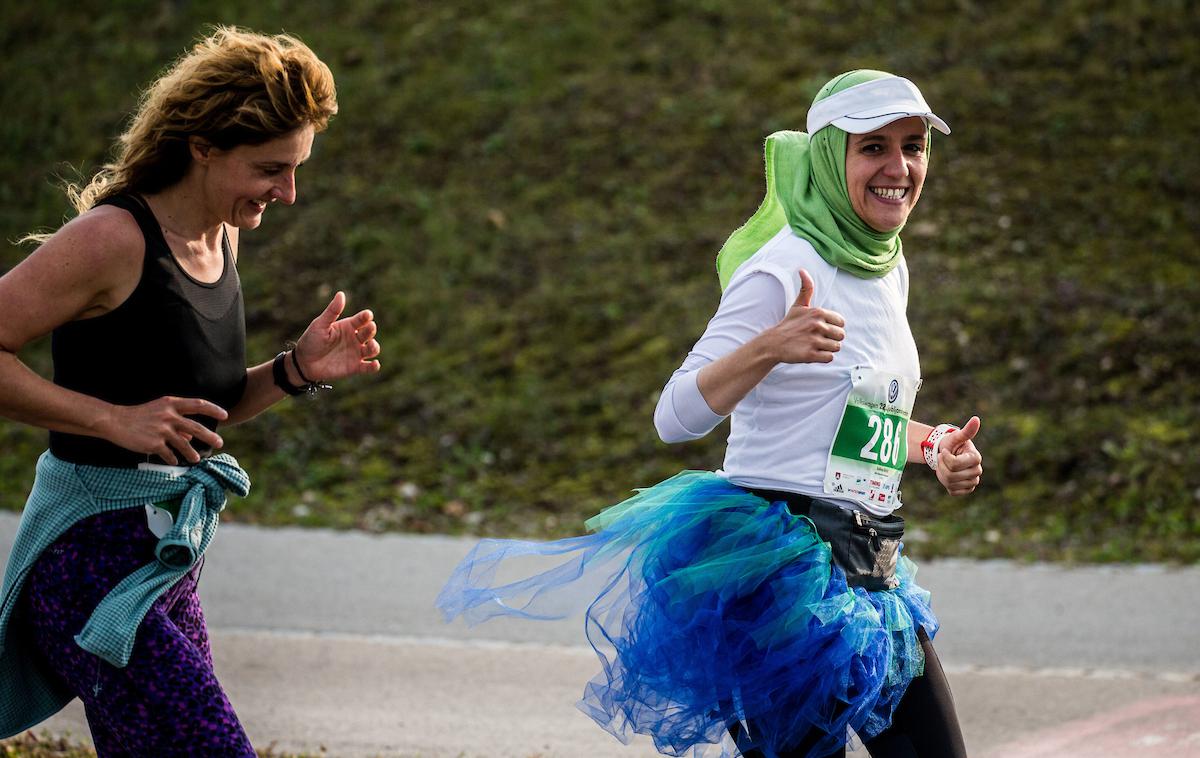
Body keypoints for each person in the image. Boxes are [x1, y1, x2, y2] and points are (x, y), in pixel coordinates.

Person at [438, 70, 980, 758]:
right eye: (874, 147)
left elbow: (849, 420)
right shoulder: (782, 268)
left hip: (872, 568)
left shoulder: (885, 265)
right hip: (781, 573)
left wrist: (934, 447)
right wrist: (769, 346)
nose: (899, 168)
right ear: (828, 157)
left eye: (914, 147)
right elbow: (675, 415)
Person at [0, 27, 381, 755]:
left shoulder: (220, 237)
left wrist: (295, 370)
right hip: (88, 564)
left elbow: (194, 416)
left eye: (296, 169)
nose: (289, 193)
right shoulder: (113, 238)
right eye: (272, 168)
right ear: (203, 146)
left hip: (166, 558)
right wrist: (110, 420)